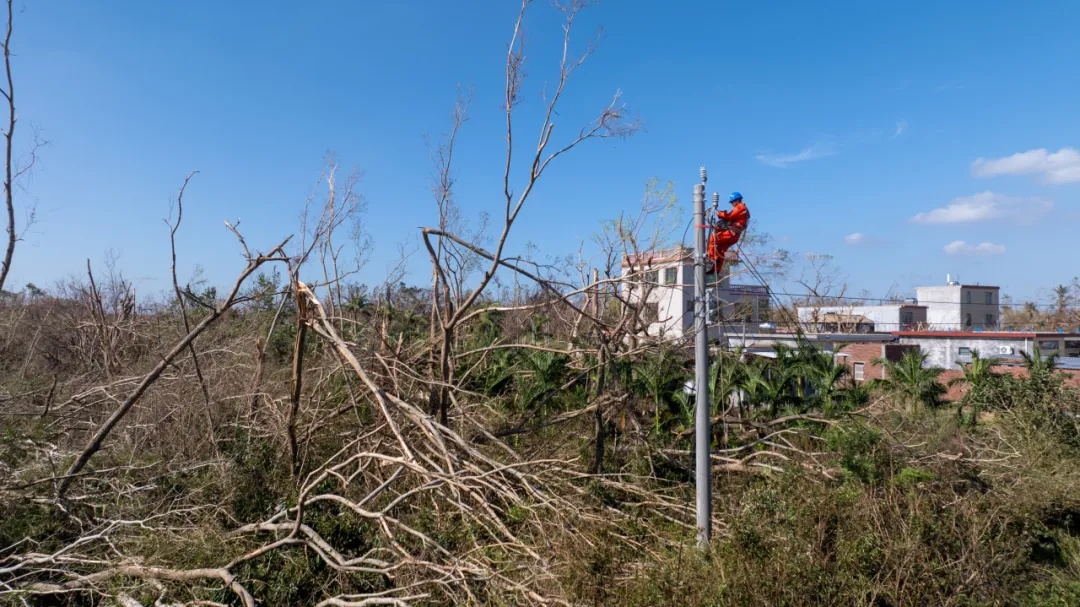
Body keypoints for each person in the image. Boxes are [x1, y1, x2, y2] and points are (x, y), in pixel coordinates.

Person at [707, 191, 750, 275]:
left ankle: (713, 258)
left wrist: (719, 213)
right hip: (733, 236)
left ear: (737, 201)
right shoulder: (741, 209)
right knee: (720, 249)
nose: (732, 204)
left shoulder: (740, 207)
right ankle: (715, 270)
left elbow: (729, 216)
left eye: (732, 202)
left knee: (711, 240)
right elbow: (730, 218)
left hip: (731, 234)